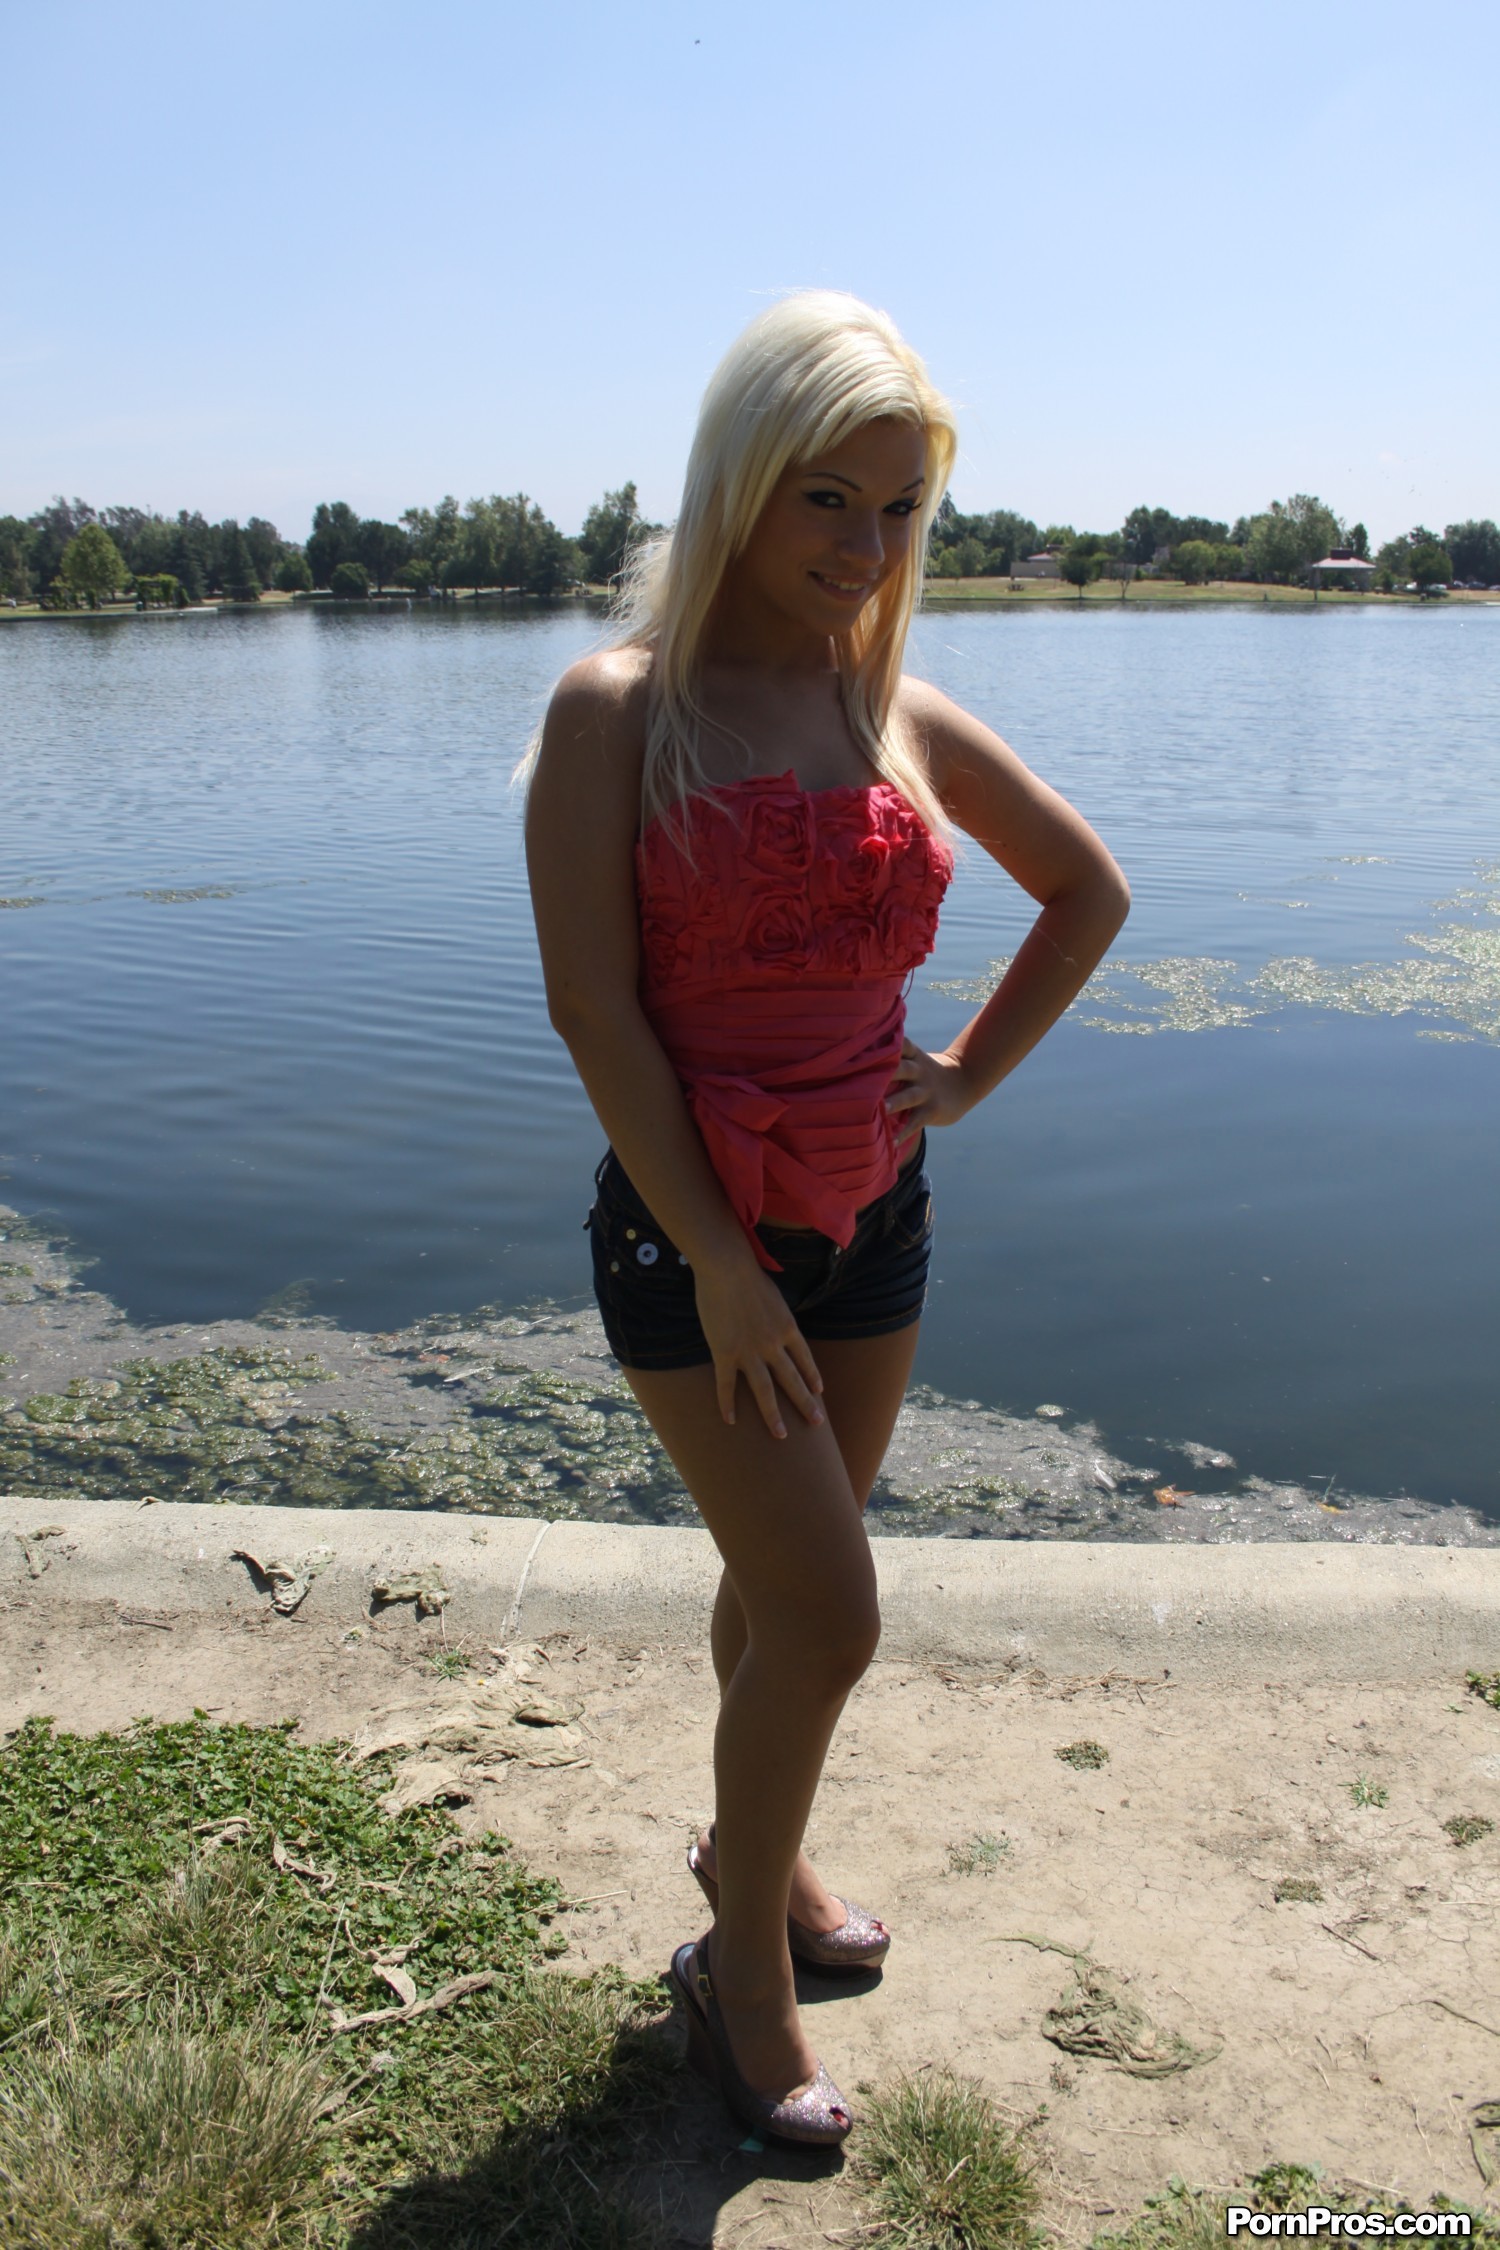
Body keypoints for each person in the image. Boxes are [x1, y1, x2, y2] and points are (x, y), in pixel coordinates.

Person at [523, 292, 1129, 2146]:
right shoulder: (619, 710)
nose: (867, 546)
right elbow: (594, 1011)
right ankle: (740, 1985)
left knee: (779, 1587)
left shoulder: (893, 709)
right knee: (831, 1610)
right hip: (696, 1245)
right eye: (828, 499)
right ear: (740, 483)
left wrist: (964, 1075)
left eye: (900, 509)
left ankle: (752, 1858)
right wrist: (719, 1260)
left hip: (878, 1224)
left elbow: (1088, 891)